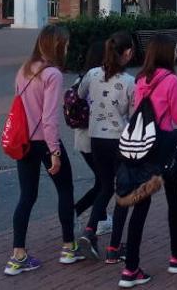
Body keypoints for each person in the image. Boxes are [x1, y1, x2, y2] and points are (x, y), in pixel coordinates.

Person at [119, 34, 177, 287]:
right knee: (174, 201)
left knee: (140, 206)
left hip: (143, 147)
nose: (176, 53)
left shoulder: (141, 78)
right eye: (174, 50)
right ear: (167, 53)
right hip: (165, 147)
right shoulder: (172, 80)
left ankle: (130, 269)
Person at [5, 25, 82, 275]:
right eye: (66, 44)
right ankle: (69, 247)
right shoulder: (53, 74)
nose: (68, 48)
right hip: (44, 142)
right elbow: (49, 118)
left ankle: (18, 255)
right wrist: (55, 152)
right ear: (57, 45)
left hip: (24, 140)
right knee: (65, 189)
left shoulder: (24, 70)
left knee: (27, 196)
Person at [77, 32, 135, 263]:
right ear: (128, 52)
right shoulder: (129, 82)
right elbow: (133, 113)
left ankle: (90, 231)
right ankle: (114, 247)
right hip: (119, 139)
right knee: (122, 190)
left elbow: (80, 94)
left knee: (104, 186)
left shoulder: (92, 74)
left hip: (96, 138)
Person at [73, 41, 106, 222]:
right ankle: (79, 211)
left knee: (102, 181)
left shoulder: (81, 78)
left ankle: (99, 218)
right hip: (96, 139)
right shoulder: (98, 80)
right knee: (105, 183)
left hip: (83, 138)